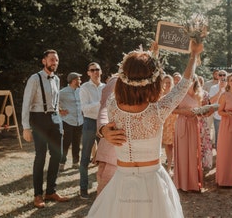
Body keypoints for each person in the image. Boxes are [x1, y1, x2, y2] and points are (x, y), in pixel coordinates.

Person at [86, 41, 204, 218]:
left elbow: (138, 79)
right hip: (153, 184)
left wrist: (151, 55)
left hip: (122, 181)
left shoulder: (112, 105)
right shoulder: (158, 110)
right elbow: (184, 83)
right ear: (154, 81)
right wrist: (193, 55)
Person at [21, 49, 69, 208]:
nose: (54, 62)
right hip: (38, 119)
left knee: (58, 154)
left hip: (55, 119)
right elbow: (26, 103)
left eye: (56, 60)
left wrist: (58, 109)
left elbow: (53, 100)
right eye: (51, 60)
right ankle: (37, 195)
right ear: (44, 61)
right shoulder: (34, 79)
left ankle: (51, 191)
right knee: (40, 156)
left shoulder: (57, 79)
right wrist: (26, 127)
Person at [173, 74, 204, 191]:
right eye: (188, 80)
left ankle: (192, 182)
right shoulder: (180, 94)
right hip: (182, 123)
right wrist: (185, 112)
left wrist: (202, 112)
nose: (190, 82)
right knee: (182, 152)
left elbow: (199, 110)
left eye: (192, 80)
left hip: (193, 124)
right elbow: (172, 110)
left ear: (195, 81)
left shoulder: (198, 95)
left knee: (192, 152)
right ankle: (182, 183)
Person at [79, 62, 105, 199]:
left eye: (97, 69)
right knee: (85, 157)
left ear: (101, 71)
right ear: (88, 73)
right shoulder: (84, 88)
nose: (95, 72)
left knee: (105, 157)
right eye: (92, 70)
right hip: (89, 123)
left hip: (103, 123)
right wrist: (100, 103)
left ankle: (102, 186)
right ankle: (83, 188)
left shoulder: (105, 87)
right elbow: (85, 109)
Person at [95, 75, 118, 195]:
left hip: (138, 155)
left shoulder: (149, 83)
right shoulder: (116, 81)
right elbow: (104, 107)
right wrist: (103, 128)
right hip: (114, 146)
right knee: (107, 193)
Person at [58, 72, 84, 171]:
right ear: (73, 80)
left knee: (77, 143)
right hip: (68, 121)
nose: (80, 81)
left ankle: (75, 162)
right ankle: (62, 163)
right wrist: (60, 110)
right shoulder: (63, 92)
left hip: (79, 121)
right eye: (78, 79)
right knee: (66, 143)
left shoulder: (80, 91)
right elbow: (53, 102)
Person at [161, 74, 177, 173]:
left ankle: (176, 167)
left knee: (176, 146)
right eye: (165, 82)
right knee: (168, 146)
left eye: (169, 82)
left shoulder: (175, 94)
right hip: (165, 123)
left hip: (175, 121)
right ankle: (169, 167)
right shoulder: (159, 95)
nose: (167, 84)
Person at [209, 70, 227, 148]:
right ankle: (218, 154)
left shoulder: (230, 87)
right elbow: (211, 101)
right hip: (217, 116)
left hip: (228, 116)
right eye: (220, 75)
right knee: (218, 136)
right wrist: (220, 91)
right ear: (217, 76)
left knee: (227, 136)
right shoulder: (213, 88)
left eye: (224, 75)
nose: (222, 77)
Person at [198, 76, 213, 170]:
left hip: (203, 120)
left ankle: (204, 162)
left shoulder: (206, 94)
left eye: (200, 82)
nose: (199, 83)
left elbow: (208, 107)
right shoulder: (190, 93)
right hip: (193, 120)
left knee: (204, 141)